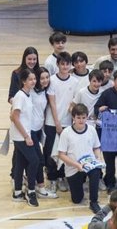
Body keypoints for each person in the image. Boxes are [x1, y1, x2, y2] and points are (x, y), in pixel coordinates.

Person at [58, 104, 105, 214]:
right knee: (77, 199)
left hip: (89, 165)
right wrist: (77, 165)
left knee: (96, 171)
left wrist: (98, 157)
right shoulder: (66, 133)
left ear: (87, 117)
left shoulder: (92, 130)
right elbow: (61, 154)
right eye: (78, 118)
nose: (81, 120)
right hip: (74, 168)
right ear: (73, 118)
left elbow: (96, 147)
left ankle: (94, 202)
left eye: (83, 117)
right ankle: (79, 184)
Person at [44, 52, 79, 192]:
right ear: (57, 65)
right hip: (52, 122)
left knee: (64, 151)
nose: (65, 66)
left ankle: (61, 177)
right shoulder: (52, 80)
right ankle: (52, 178)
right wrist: (57, 122)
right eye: (62, 64)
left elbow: (73, 102)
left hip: (67, 122)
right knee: (50, 151)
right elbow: (52, 103)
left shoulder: (75, 82)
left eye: (67, 64)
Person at [10, 68, 39, 207]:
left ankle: (17, 192)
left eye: (34, 79)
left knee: (20, 163)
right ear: (23, 81)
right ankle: (31, 191)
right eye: (30, 79)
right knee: (34, 161)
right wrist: (26, 136)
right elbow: (14, 117)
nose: (33, 81)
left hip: (23, 134)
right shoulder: (20, 96)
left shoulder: (28, 94)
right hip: (21, 136)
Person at [32, 67, 58, 199]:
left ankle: (32, 183)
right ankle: (40, 187)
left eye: (47, 77)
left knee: (36, 159)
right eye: (42, 78)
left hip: (38, 130)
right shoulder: (31, 92)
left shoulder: (44, 92)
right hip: (30, 130)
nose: (45, 80)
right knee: (39, 159)